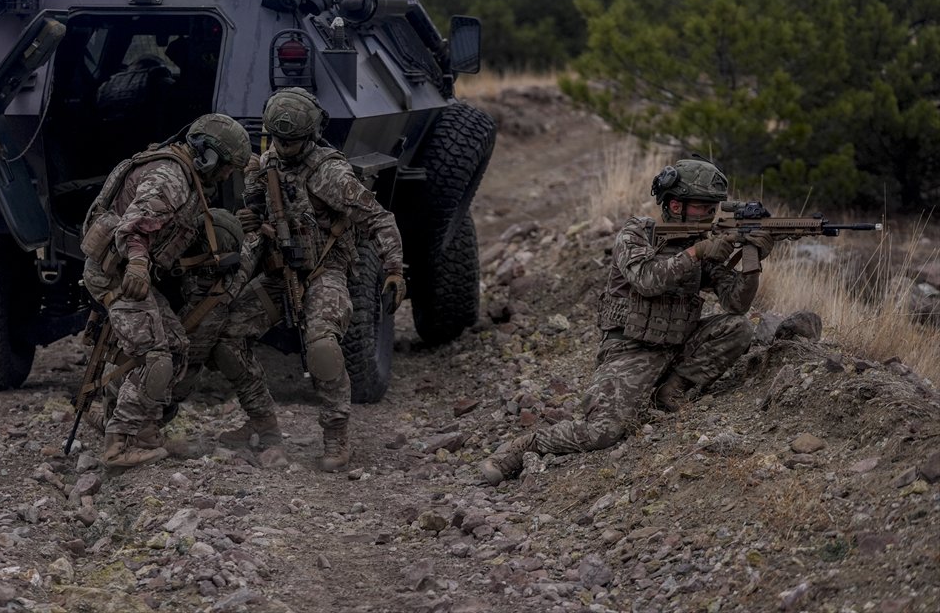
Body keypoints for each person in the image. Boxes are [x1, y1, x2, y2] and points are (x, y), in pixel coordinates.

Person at [479, 156, 774, 486]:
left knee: (737, 328)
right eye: (702, 206)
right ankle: (525, 446)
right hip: (631, 350)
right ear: (675, 205)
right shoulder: (637, 234)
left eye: (713, 207)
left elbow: (736, 303)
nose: (710, 213)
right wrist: (697, 253)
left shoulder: (703, 241)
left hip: (678, 344)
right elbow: (647, 280)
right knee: (602, 432)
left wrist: (752, 258)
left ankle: (672, 390)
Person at [211, 88, 406, 472]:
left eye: (292, 141)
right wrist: (250, 222)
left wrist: (395, 269)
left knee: (322, 345)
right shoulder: (262, 165)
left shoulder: (329, 173)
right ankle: (263, 422)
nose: (284, 148)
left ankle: (336, 430)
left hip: (324, 271)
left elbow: (379, 218)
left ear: (310, 135)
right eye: (278, 140)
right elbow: (254, 215)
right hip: (278, 272)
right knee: (227, 338)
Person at [79, 113, 252, 470]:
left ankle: (144, 433)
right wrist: (139, 264)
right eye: (226, 168)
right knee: (155, 355)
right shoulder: (170, 177)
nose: (225, 177)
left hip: (126, 270)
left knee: (175, 345)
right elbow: (132, 228)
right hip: (117, 275)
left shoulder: (181, 171)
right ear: (209, 157)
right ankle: (120, 442)